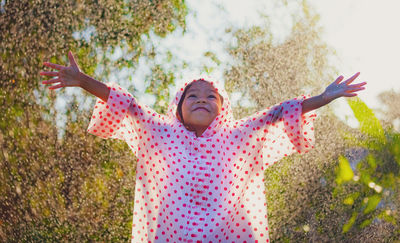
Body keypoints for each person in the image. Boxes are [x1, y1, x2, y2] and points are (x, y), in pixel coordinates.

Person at [41, 51, 366, 242]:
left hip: (232, 235)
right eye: (192, 96)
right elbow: (125, 104)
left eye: (210, 96)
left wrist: (324, 98)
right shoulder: (161, 133)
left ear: (222, 107)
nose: (201, 99)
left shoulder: (239, 134)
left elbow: (279, 113)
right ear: (177, 107)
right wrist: (83, 81)